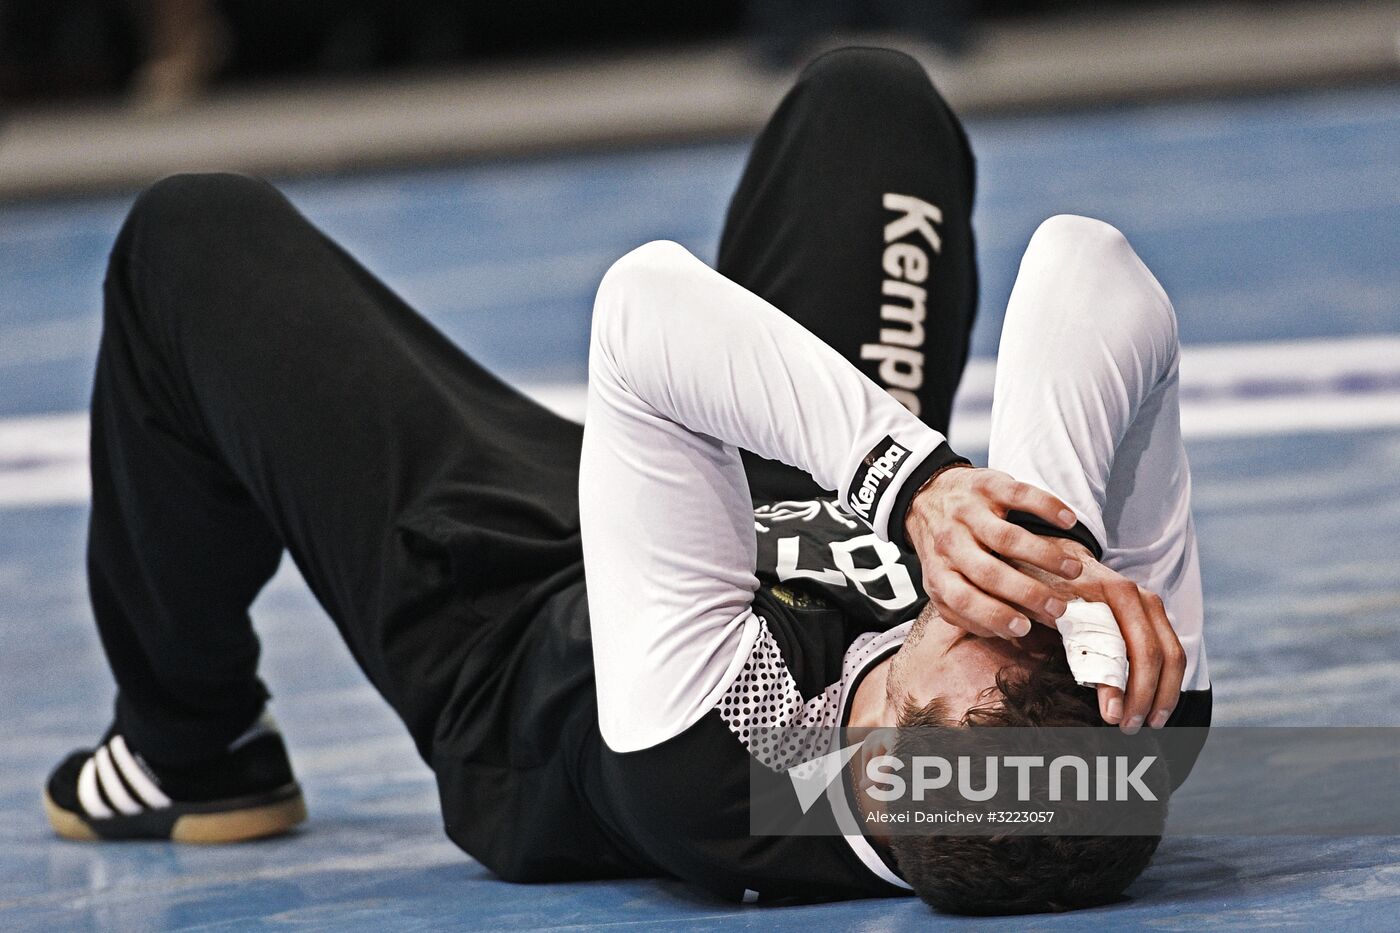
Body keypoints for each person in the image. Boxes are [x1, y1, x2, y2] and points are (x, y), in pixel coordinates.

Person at [42, 48, 1210, 914]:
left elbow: (643, 306)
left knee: (194, 241)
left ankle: (190, 747)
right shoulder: (1120, 724)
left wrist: (914, 484)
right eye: (1048, 629)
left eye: (985, 633)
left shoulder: (718, 770)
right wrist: (1056, 539)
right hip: (765, 509)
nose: (997, 602)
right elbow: (1088, 271)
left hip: (523, 614)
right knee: (871, 102)